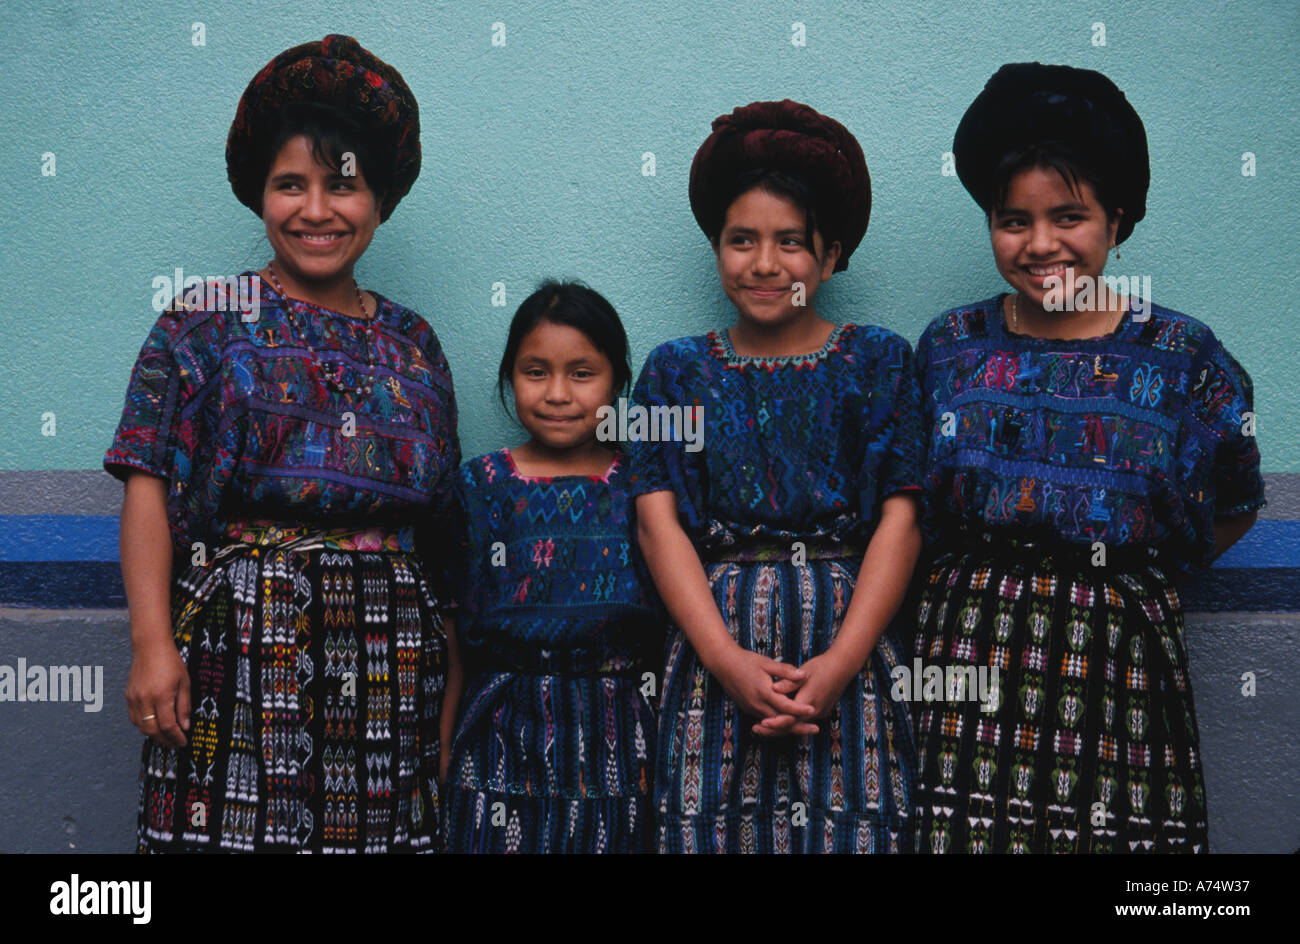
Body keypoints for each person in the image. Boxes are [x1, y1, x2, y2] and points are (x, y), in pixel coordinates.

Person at [105, 35, 460, 852]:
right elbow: (146, 480)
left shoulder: (415, 344)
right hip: (237, 646)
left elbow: (443, 531)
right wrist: (152, 645)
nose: (315, 210)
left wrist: (450, 685)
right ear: (260, 195)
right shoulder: (204, 322)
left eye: (342, 187)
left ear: (378, 199)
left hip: (392, 668)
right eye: (288, 185)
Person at [912, 62, 1264, 853]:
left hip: (1120, 672)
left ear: (1116, 219)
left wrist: (1123, 588)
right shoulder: (949, 349)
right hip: (967, 664)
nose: (1040, 245)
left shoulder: (1182, 357)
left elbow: (1237, 499)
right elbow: (914, 508)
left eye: (1068, 216)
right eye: (1013, 220)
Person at [629, 100, 923, 853]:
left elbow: (902, 516)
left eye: (791, 242)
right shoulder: (672, 371)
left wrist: (839, 664)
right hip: (714, 643)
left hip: (847, 642)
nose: (764, 264)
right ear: (716, 248)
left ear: (830, 256)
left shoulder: (879, 361)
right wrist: (725, 660)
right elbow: (656, 521)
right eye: (741, 240)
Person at [441, 281, 660, 853]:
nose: (557, 393)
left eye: (582, 373)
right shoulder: (481, 485)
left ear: (617, 380)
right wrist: (443, 742)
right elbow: (455, 624)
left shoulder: (643, 485)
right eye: (535, 371)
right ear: (509, 377)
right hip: (500, 726)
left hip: (616, 728)